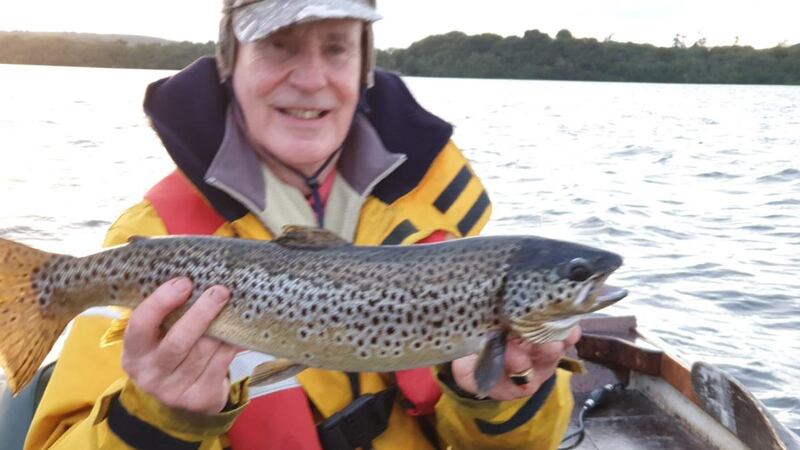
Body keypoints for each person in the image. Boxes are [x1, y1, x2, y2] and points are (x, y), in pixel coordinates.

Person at [24, 1, 581, 449]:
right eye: (277, 46)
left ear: (364, 68)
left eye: (337, 49)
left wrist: (501, 396)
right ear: (228, 63)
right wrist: (156, 421)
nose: (311, 78)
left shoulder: (444, 228)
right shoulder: (149, 236)